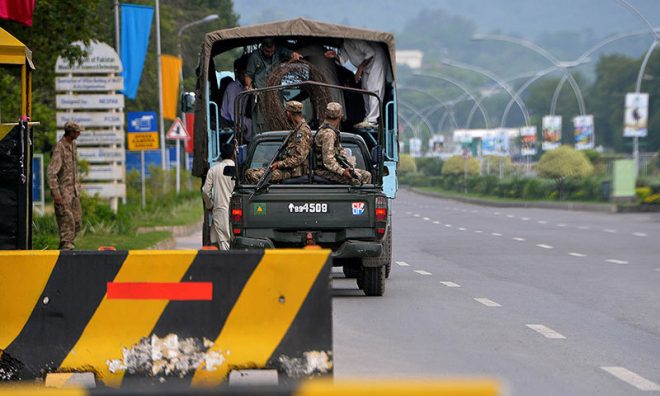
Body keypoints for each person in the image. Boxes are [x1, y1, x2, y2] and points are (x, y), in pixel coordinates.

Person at [325, 40, 387, 129]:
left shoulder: (354, 42)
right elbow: (343, 60)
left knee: (374, 88)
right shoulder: (343, 47)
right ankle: (367, 117)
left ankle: (372, 120)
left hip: (376, 59)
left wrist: (360, 69)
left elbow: (371, 53)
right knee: (365, 89)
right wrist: (335, 56)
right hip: (366, 66)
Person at [245, 100, 312, 184]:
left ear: (288, 113)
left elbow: (299, 158)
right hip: (288, 170)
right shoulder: (297, 130)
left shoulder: (303, 131)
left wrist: (279, 164)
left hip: (293, 173)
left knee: (253, 175)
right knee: (250, 172)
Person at [246, 38, 302, 133]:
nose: (270, 53)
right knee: (261, 120)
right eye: (267, 51)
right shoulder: (255, 57)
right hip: (261, 96)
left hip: (276, 93)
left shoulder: (279, 51)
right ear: (262, 48)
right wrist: (249, 87)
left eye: (272, 51)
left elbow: (290, 53)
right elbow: (248, 75)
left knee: (277, 116)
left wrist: (294, 55)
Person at [314, 102, 372, 185]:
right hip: (323, 172)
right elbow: (328, 161)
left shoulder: (330, 131)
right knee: (358, 180)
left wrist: (348, 165)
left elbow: (339, 153)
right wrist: (342, 171)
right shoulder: (328, 134)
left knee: (366, 175)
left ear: (325, 114)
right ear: (340, 116)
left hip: (328, 170)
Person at [47, 121, 83, 250]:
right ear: (70, 132)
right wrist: (56, 194)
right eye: (77, 131)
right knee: (67, 224)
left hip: (74, 192)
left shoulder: (73, 145)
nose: (79, 134)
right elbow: (51, 173)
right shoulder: (60, 147)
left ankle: (67, 246)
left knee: (77, 223)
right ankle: (66, 250)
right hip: (63, 193)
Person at [202, 143, 236, 250]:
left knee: (224, 242)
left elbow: (205, 191)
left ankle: (228, 264)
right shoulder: (239, 169)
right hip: (238, 211)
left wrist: (210, 205)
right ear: (233, 155)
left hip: (220, 211)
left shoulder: (214, 170)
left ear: (221, 155)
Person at [220, 56, 253, 141]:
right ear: (238, 73)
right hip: (230, 120)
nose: (246, 77)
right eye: (243, 74)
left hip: (242, 116)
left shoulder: (249, 86)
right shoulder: (232, 88)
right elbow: (233, 113)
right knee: (250, 124)